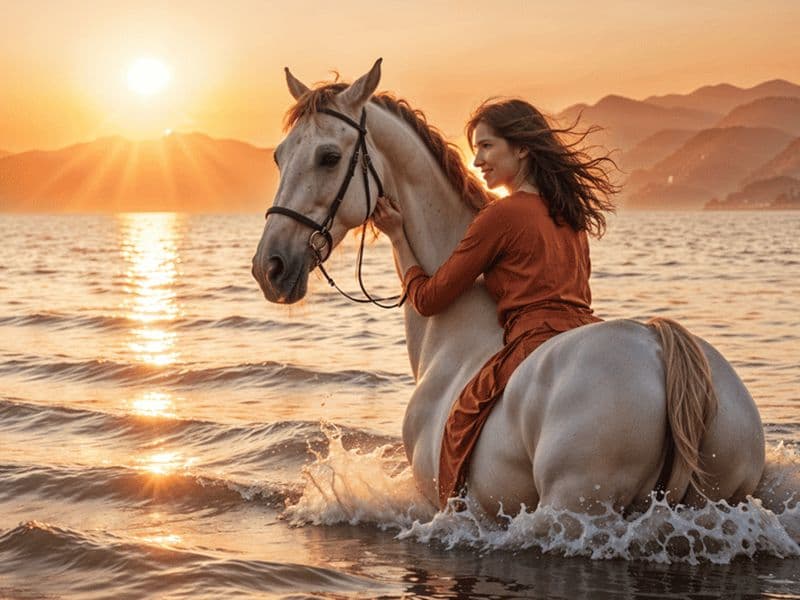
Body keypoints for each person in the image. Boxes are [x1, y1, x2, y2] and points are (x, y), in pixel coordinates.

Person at [372, 98, 618, 509]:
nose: (478, 160)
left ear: (521, 148)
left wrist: (397, 236)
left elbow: (430, 299)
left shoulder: (500, 216)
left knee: (458, 423)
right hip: (587, 331)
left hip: (535, 341)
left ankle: (455, 515)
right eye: (474, 150)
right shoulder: (570, 216)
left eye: (487, 146)